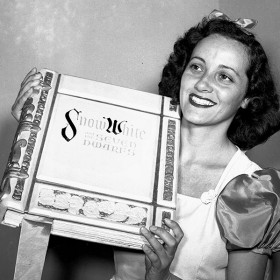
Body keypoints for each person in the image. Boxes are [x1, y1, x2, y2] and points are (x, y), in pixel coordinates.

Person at [11, 9, 280, 280]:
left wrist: (162, 277)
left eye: (225, 77)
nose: (202, 83)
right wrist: (34, 124)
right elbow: (46, 192)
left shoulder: (253, 191)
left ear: (248, 97)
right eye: (197, 67)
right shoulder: (130, 147)